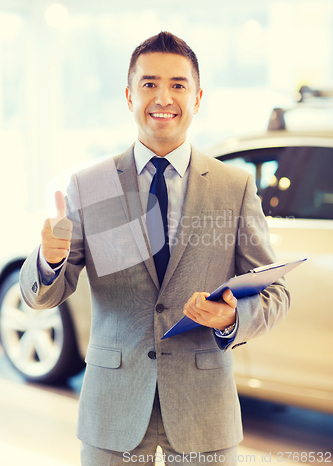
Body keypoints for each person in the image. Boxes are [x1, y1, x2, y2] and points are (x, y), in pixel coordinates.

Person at [20, 32, 290, 466]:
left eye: (178, 85)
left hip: (205, 411)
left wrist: (232, 317)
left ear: (197, 98)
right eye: (149, 84)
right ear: (129, 96)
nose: (163, 97)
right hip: (113, 411)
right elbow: (42, 296)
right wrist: (49, 261)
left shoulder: (233, 187)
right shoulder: (90, 186)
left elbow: (276, 292)